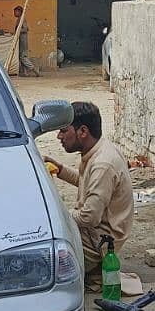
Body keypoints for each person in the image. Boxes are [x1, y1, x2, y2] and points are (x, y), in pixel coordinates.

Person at [45, 102, 134, 291]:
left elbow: (88, 217)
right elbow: (88, 184)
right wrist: (60, 170)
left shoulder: (103, 164)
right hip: (94, 231)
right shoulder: (99, 150)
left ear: (82, 131)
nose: (59, 136)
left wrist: (54, 215)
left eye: (63, 131)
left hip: (99, 242)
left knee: (41, 258)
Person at [14, 5, 39, 77]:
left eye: (16, 12)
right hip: (20, 40)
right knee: (20, 56)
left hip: (23, 41)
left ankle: (35, 70)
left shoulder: (22, 19)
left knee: (23, 57)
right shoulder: (18, 19)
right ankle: (25, 73)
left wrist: (18, 31)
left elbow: (25, 29)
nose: (15, 13)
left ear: (20, 12)